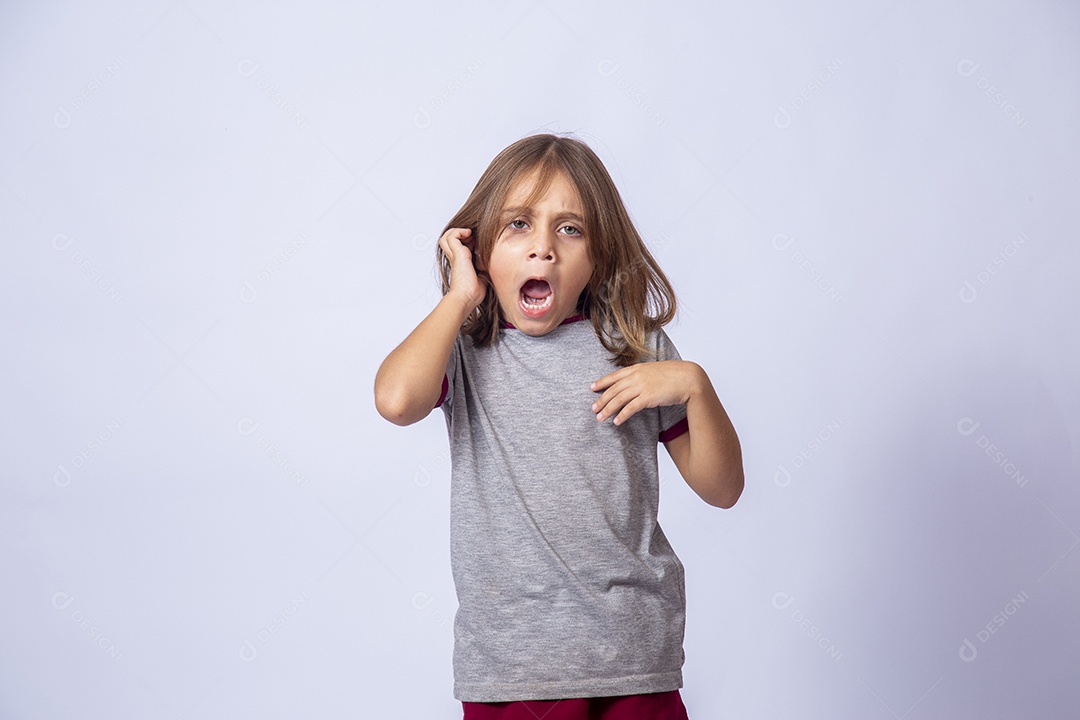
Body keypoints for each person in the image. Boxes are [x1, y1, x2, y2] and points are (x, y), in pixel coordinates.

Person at [374, 133, 743, 720]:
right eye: (518, 224)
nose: (543, 248)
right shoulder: (464, 350)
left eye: (569, 229)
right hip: (511, 667)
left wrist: (695, 384)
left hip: (633, 655)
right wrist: (458, 296)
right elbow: (395, 400)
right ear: (479, 248)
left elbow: (722, 489)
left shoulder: (635, 344)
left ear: (598, 253)